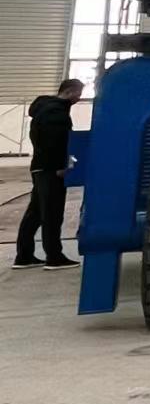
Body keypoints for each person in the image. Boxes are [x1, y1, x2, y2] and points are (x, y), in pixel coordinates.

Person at [13, 78, 83, 270]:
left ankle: (24, 256)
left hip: (39, 167)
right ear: (69, 91)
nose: (79, 98)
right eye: (78, 94)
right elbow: (54, 142)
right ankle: (54, 257)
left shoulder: (44, 109)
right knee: (52, 214)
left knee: (35, 213)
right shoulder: (56, 113)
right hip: (51, 170)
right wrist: (60, 166)